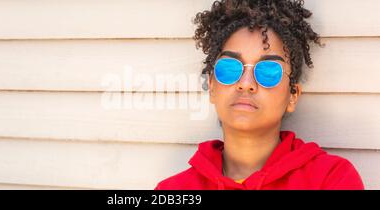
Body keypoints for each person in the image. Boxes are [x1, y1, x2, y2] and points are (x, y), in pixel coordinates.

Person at [155, 0, 364, 190]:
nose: (246, 84)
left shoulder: (331, 179)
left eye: (268, 71)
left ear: (293, 95)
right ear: (211, 86)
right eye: (230, 68)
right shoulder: (173, 190)